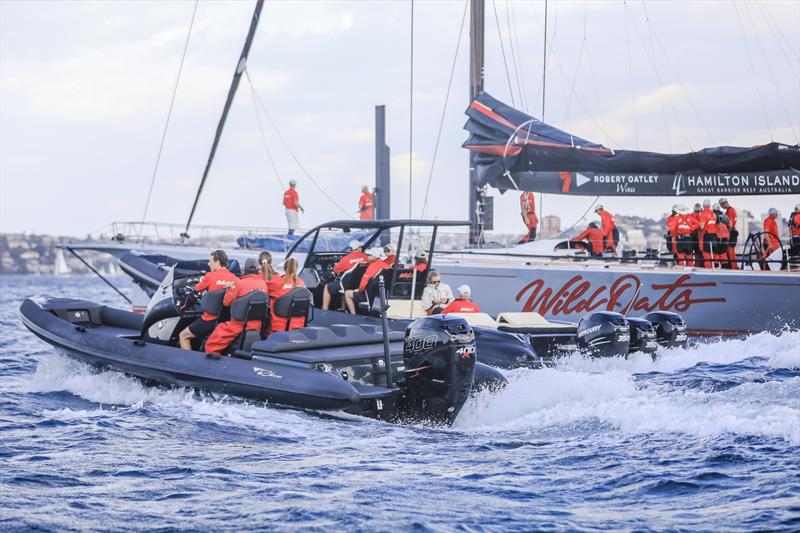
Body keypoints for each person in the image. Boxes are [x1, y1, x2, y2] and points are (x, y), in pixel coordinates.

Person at [204, 258, 268, 355]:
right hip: (256, 325)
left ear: (244, 269)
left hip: (238, 325)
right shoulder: (263, 284)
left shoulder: (239, 283)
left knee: (211, 344)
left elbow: (226, 303)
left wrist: (230, 288)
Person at [178, 249, 238, 351]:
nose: (208, 264)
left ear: (218, 262)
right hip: (224, 320)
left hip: (209, 320)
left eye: (210, 261)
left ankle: (188, 362)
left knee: (183, 335)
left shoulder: (210, 276)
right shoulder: (235, 278)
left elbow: (195, 290)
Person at [321, 240, 368, 310]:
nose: (361, 248)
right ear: (358, 248)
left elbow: (335, 270)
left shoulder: (346, 259)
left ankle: (324, 309)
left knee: (327, 287)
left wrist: (337, 265)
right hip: (359, 285)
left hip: (347, 285)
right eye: (360, 247)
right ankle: (343, 308)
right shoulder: (365, 257)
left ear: (351, 249)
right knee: (344, 283)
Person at [268, 258, 307, 332]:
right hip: (298, 326)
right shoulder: (302, 284)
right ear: (296, 269)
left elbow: (264, 289)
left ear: (284, 268)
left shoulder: (276, 282)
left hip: (278, 327)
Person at [344, 248, 386, 314]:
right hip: (380, 295)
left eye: (369, 255)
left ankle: (353, 315)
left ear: (375, 257)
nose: (366, 256)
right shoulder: (386, 265)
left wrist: (359, 290)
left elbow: (364, 282)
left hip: (369, 296)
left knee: (347, 293)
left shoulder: (372, 266)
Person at [698, 199, 718, 269]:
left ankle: (708, 270)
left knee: (706, 254)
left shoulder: (703, 213)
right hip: (714, 236)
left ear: (703, 206)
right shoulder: (714, 214)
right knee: (713, 254)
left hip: (707, 235)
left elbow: (702, 226)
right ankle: (715, 269)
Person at [719, 198, 738, 269]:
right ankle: (734, 267)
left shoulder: (729, 211)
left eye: (721, 206)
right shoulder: (733, 210)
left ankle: (733, 268)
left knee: (730, 253)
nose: (722, 208)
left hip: (730, 233)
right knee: (732, 253)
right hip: (733, 233)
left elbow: (730, 224)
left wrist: (727, 236)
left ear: (723, 204)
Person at [713, 203, 731, 269]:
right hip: (725, 237)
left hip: (716, 236)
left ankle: (716, 267)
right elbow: (729, 226)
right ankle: (725, 268)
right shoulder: (725, 216)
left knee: (716, 253)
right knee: (723, 253)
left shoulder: (713, 216)